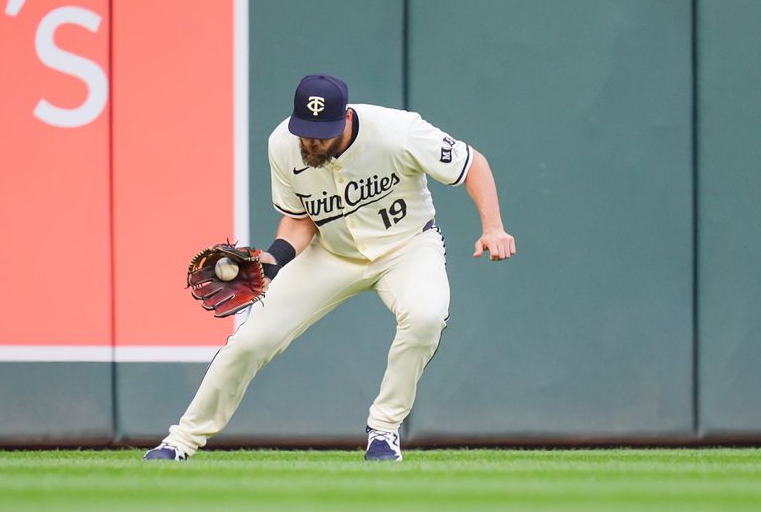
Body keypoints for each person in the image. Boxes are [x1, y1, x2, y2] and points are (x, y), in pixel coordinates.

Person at [144, 73, 515, 462]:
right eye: (305, 131)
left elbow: (474, 164)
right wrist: (271, 263)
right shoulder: (283, 145)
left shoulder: (399, 131)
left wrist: (492, 227)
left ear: (346, 119)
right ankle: (180, 441)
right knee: (251, 341)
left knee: (425, 317)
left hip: (407, 248)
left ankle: (384, 429)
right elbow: (299, 220)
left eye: (322, 133)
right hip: (330, 252)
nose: (311, 141)